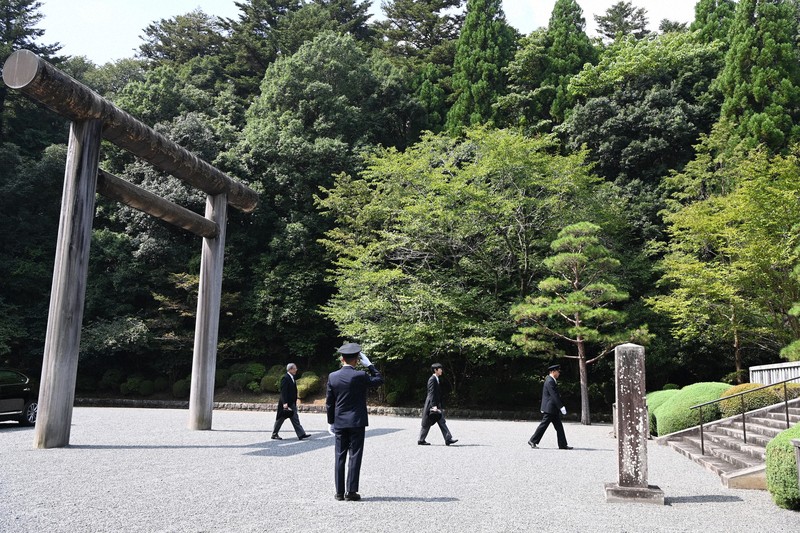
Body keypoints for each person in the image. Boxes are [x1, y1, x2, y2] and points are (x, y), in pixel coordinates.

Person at [326, 342, 384, 501]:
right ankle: (351, 491)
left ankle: (339, 492)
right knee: (355, 455)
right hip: (357, 421)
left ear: (342, 358)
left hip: (339, 421)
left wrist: (331, 421)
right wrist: (371, 365)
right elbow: (379, 380)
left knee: (339, 456)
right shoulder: (360, 375)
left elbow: (330, 402)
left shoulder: (332, 376)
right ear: (357, 360)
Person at [528, 364, 572, 450]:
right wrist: (561, 407)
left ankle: (562, 444)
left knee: (559, 426)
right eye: (558, 371)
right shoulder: (550, 381)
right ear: (553, 371)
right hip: (550, 408)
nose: (559, 373)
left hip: (552, 408)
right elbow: (554, 395)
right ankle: (532, 440)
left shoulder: (551, 380)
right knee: (543, 425)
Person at [418, 363, 458, 446]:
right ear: (435, 370)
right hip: (431, 404)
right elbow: (431, 393)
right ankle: (421, 440)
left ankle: (448, 439)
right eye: (440, 369)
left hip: (436, 404)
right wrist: (434, 406)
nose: (441, 370)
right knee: (427, 422)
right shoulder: (432, 379)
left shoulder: (436, 379)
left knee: (442, 421)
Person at [271, 363, 310, 441]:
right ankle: (274, 434)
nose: (296, 369)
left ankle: (301, 434)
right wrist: (285, 403)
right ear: (291, 369)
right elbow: (283, 392)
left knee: (295, 418)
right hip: (285, 403)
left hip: (292, 402)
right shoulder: (285, 378)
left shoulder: (292, 377)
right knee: (280, 419)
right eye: (295, 368)